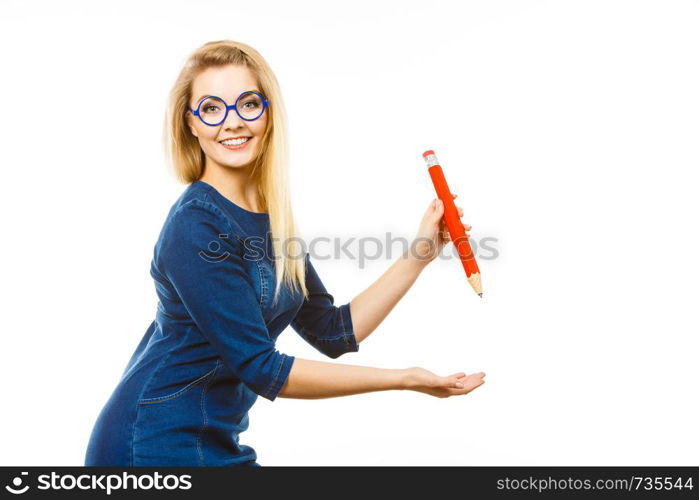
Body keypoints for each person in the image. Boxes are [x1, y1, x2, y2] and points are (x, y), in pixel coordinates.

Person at [84, 39, 486, 467]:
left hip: (213, 442)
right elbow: (263, 369)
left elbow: (333, 331)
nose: (232, 122)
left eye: (248, 104)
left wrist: (422, 251)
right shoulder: (196, 225)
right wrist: (403, 379)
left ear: (268, 113)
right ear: (191, 124)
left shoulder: (271, 217)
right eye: (212, 108)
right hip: (150, 448)